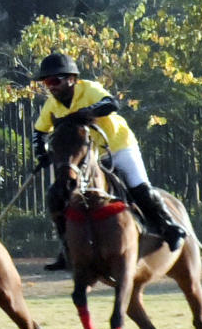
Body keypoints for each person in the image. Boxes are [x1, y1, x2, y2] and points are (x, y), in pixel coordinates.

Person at [32, 51, 188, 270]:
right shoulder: (52, 104)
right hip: (89, 156)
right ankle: (66, 248)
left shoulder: (89, 89)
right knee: (60, 194)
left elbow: (112, 103)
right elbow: (39, 132)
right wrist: (41, 152)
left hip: (119, 146)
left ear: (71, 79)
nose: (51, 87)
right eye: (47, 82)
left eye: (54, 80)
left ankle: (169, 227)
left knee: (138, 187)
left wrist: (87, 112)